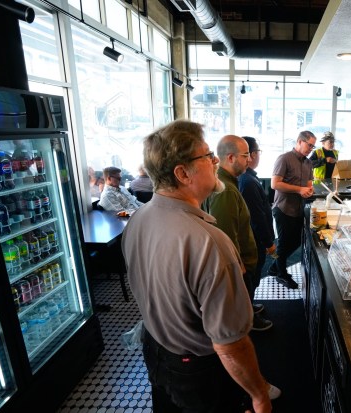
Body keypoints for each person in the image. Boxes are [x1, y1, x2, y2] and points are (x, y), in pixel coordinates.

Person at [122, 120, 276, 413]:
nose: (215, 161)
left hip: (155, 350)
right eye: (206, 156)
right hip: (197, 372)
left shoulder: (139, 218)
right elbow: (230, 345)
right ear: (182, 173)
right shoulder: (210, 243)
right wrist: (259, 395)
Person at [204, 135, 273, 332]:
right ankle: (247, 322)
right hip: (239, 265)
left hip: (242, 260)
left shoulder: (229, 182)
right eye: (245, 156)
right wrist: (239, 267)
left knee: (245, 297)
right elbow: (225, 236)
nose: (249, 160)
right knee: (240, 300)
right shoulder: (225, 190)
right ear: (231, 157)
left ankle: (248, 311)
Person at [267, 131, 316, 289]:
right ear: (300, 141)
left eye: (313, 146)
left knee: (296, 241)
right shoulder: (284, 158)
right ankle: (281, 274)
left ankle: (275, 265)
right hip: (283, 208)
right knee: (283, 242)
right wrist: (299, 189)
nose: (311, 149)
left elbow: (308, 185)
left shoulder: (308, 163)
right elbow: (275, 184)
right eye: (309, 145)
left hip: (298, 209)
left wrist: (309, 190)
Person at [238, 136, 277, 318]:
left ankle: (249, 307)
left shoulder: (248, 178)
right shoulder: (247, 182)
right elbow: (256, 217)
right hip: (254, 241)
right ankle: (248, 318)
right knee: (251, 278)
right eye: (258, 152)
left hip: (255, 239)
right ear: (252, 155)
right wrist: (268, 242)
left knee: (253, 279)